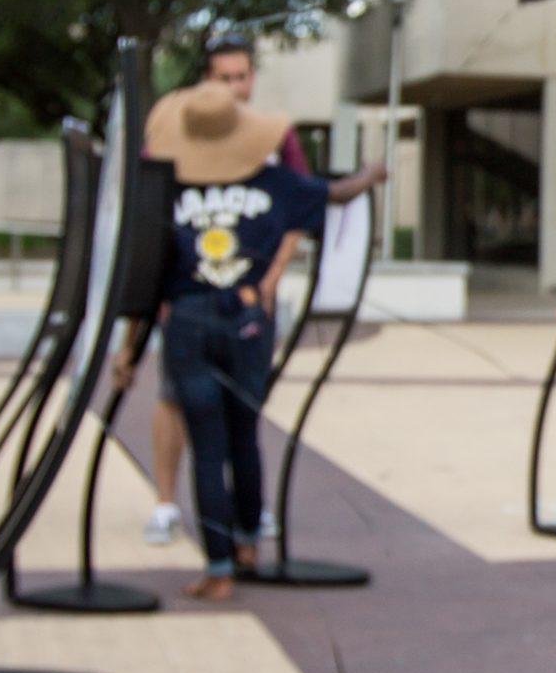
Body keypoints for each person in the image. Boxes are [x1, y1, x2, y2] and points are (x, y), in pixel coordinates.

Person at [116, 82, 383, 600]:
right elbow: (338, 193)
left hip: (188, 322)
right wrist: (372, 173)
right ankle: (246, 545)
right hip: (249, 318)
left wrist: (129, 345)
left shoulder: (168, 190)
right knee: (245, 435)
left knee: (207, 446)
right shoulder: (276, 183)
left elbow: (145, 278)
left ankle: (217, 568)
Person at [143, 34, 310, 546]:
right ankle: (168, 503)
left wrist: (271, 278)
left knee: (242, 407)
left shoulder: (274, 137)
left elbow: (300, 210)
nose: (235, 87)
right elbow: (151, 218)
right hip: (191, 299)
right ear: (206, 80)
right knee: (175, 397)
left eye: (242, 77)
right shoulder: (173, 135)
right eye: (223, 78)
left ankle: (245, 518)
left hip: (248, 298)